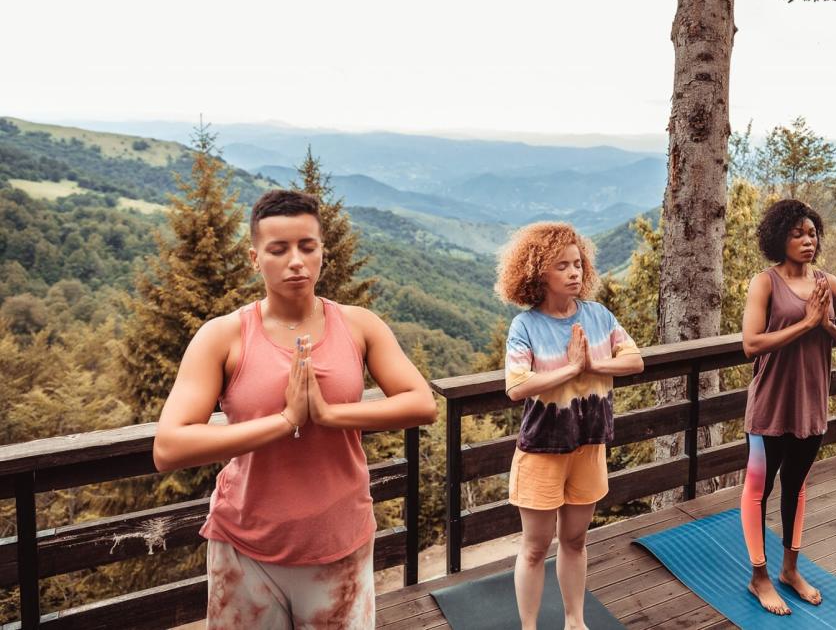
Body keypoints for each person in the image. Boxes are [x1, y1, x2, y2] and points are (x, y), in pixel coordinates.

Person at [152, 189, 438, 629]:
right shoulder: (223, 336)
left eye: (307, 246)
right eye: (278, 249)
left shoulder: (359, 325)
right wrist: (285, 421)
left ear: (323, 251)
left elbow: (421, 403)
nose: (296, 261)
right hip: (245, 546)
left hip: (339, 539)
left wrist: (327, 415)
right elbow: (168, 446)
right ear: (254, 258)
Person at [496, 222, 644, 630]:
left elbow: (635, 361)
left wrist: (593, 364)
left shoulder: (598, 316)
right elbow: (516, 385)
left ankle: (574, 621)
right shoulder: (525, 326)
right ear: (538, 273)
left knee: (576, 540)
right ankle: (529, 627)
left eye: (578, 264)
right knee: (535, 547)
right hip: (542, 449)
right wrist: (571, 368)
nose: (574, 272)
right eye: (562, 266)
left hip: (589, 445)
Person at [739, 199, 836, 615]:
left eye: (812, 233)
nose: (808, 241)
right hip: (769, 406)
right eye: (797, 234)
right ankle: (759, 577)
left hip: (811, 407)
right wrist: (805, 325)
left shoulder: (831, 284)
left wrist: (824, 324)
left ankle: (790, 570)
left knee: (796, 488)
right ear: (779, 239)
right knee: (758, 490)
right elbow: (750, 344)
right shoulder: (765, 284)